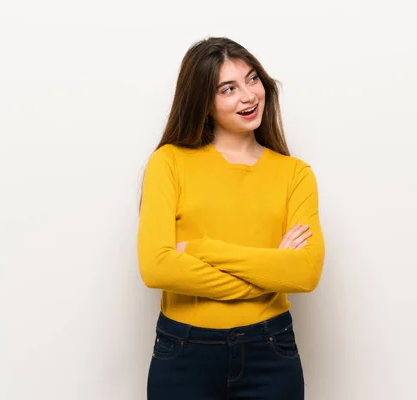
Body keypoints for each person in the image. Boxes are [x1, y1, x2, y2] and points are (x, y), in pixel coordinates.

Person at [137, 36, 325, 400]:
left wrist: (199, 249)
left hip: (270, 351)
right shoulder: (169, 162)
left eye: (252, 79)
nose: (248, 96)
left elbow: (305, 272)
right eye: (228, 88)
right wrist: (271, 273)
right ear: (203, 102)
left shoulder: (295, 174)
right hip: (183, 352)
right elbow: (156, 267)